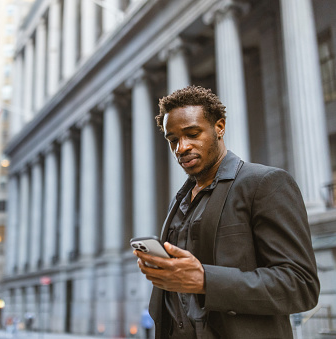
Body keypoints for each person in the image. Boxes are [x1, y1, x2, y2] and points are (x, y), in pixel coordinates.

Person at [133, 85, 319, 338]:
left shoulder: (265, 183)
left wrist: (206, 281)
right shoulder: (179, 200)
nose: (181, 148)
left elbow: (300, 285)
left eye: (192, 134)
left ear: (219, 127)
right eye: (173, 140)